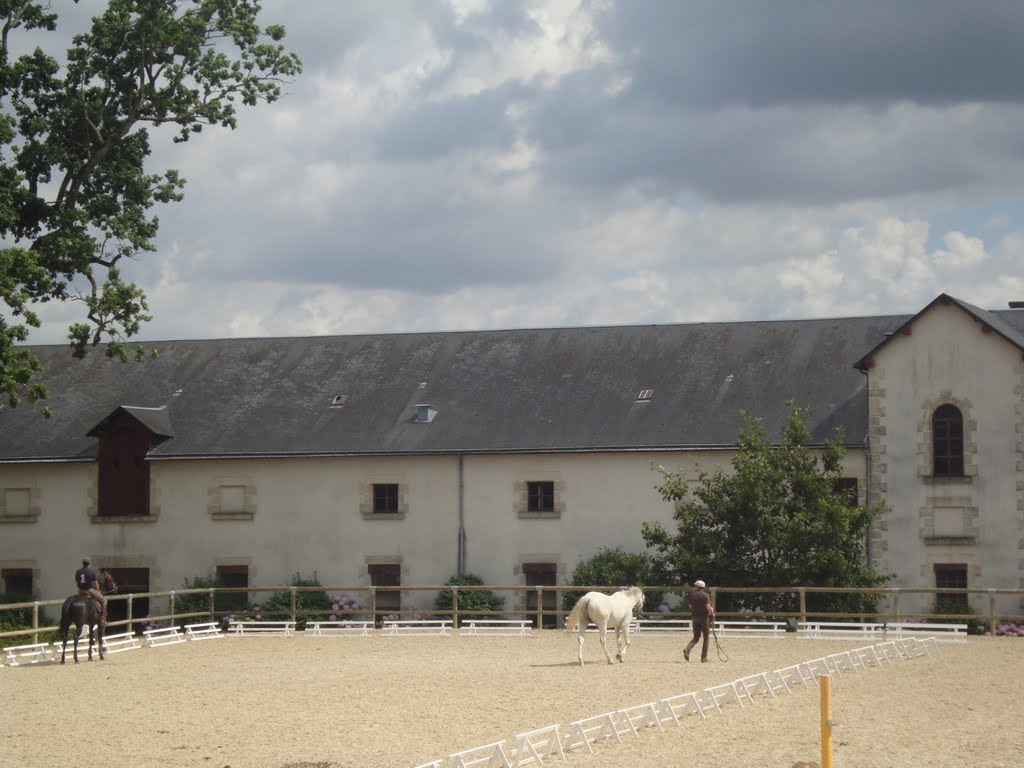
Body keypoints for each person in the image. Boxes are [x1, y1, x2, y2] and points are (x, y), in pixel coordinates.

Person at [683, 579, 714, 663]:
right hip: (704, 619)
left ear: (697, 587)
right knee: (706, 638)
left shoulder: (692, 595)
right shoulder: (706, 596)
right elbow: (708, 607)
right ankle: (704, 658)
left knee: (696, 637)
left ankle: (687, 649)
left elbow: (690, 606)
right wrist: (712, 612)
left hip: (694, 618)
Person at [74, 557, 107, 622]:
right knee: (103, 601)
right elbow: (96, 583)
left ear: (82, 563)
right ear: (89, 563)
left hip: (80, 591)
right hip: (89, 590)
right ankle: (103, 618)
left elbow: (77, 582)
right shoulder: (91, 571)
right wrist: (98, 591)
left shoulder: (78, 571)